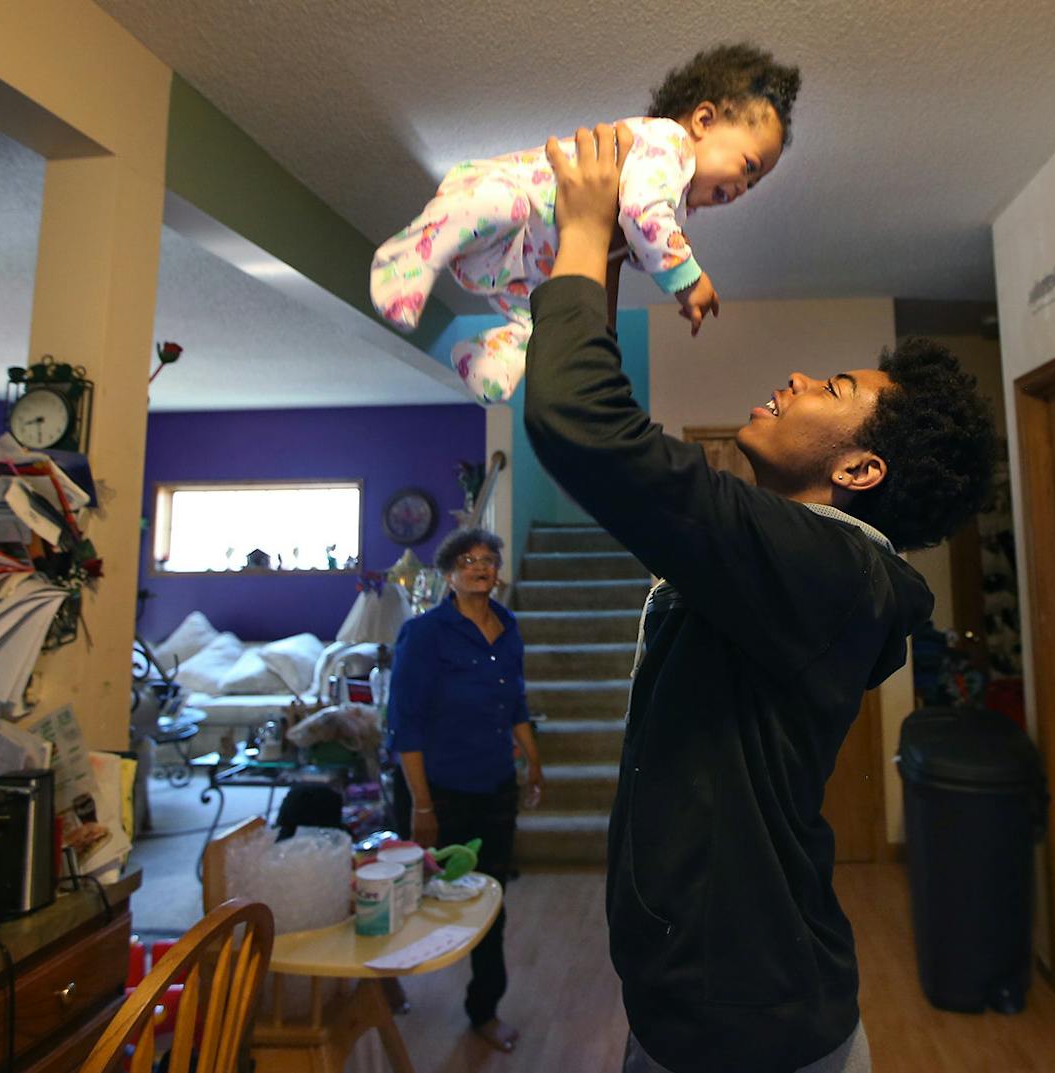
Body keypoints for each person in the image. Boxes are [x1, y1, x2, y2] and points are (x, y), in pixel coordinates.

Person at [523, 125, 996, 1073]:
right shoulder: (803, 563)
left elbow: (584, 428)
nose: (792, 380)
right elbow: (617, 441)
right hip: (709, 1007)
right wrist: (611, 255)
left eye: (830, 386)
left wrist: (579, 233)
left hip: (746, 1029)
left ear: (862, 466)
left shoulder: (824, 569)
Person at [370, 43, 800, 403]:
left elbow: (629, 241)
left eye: (754, 183)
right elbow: (642, 214)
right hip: (503, 215)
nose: (744, 186)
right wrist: (688, 279)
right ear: (704, 121)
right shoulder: (667, 142)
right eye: (747, 166)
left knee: (542, 318)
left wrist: (645, 251)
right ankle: (408, 256)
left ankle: (486, 355)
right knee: (501, 201)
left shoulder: (675, 199)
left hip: (519, 267)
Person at [386, 526, 544, 1053]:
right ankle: (381, 980)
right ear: (450, 575)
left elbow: (515, 703)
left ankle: (484, 1010)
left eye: (489, 559)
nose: (481, 567)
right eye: (469, 560)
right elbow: (405, 725)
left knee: (490, 900)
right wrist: (421, 805)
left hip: (495, 785)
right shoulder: (425, 634)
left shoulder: (509, 626)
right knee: (408, 895)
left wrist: (534, 763)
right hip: (437, 790)